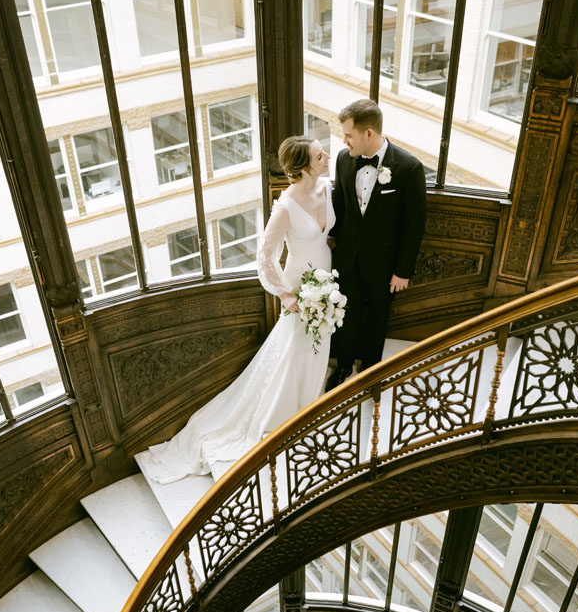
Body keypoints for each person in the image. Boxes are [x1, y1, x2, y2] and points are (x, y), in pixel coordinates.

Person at [137, 134, 334, 483]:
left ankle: (307, 406)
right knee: (292, 351)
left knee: (317, 346)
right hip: (299, 286)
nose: (327, 156)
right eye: (321, 155)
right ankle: (278, 418)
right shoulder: (286, 206)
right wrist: (285, 295)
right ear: (304, 167)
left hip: (326, 282)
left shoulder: (326, 188)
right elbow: (265, 255)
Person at [327, 98, 426, 389]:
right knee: (346, 314)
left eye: (348, 134)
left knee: (378, 319)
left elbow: (414, 225)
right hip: (347, 257)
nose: (344, 140)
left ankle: (370, 372)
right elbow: (339, 204)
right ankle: (344, 366)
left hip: (385, 264)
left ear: (368, 134)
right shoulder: (344, 159)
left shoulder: (409, 168)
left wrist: (403, 270)